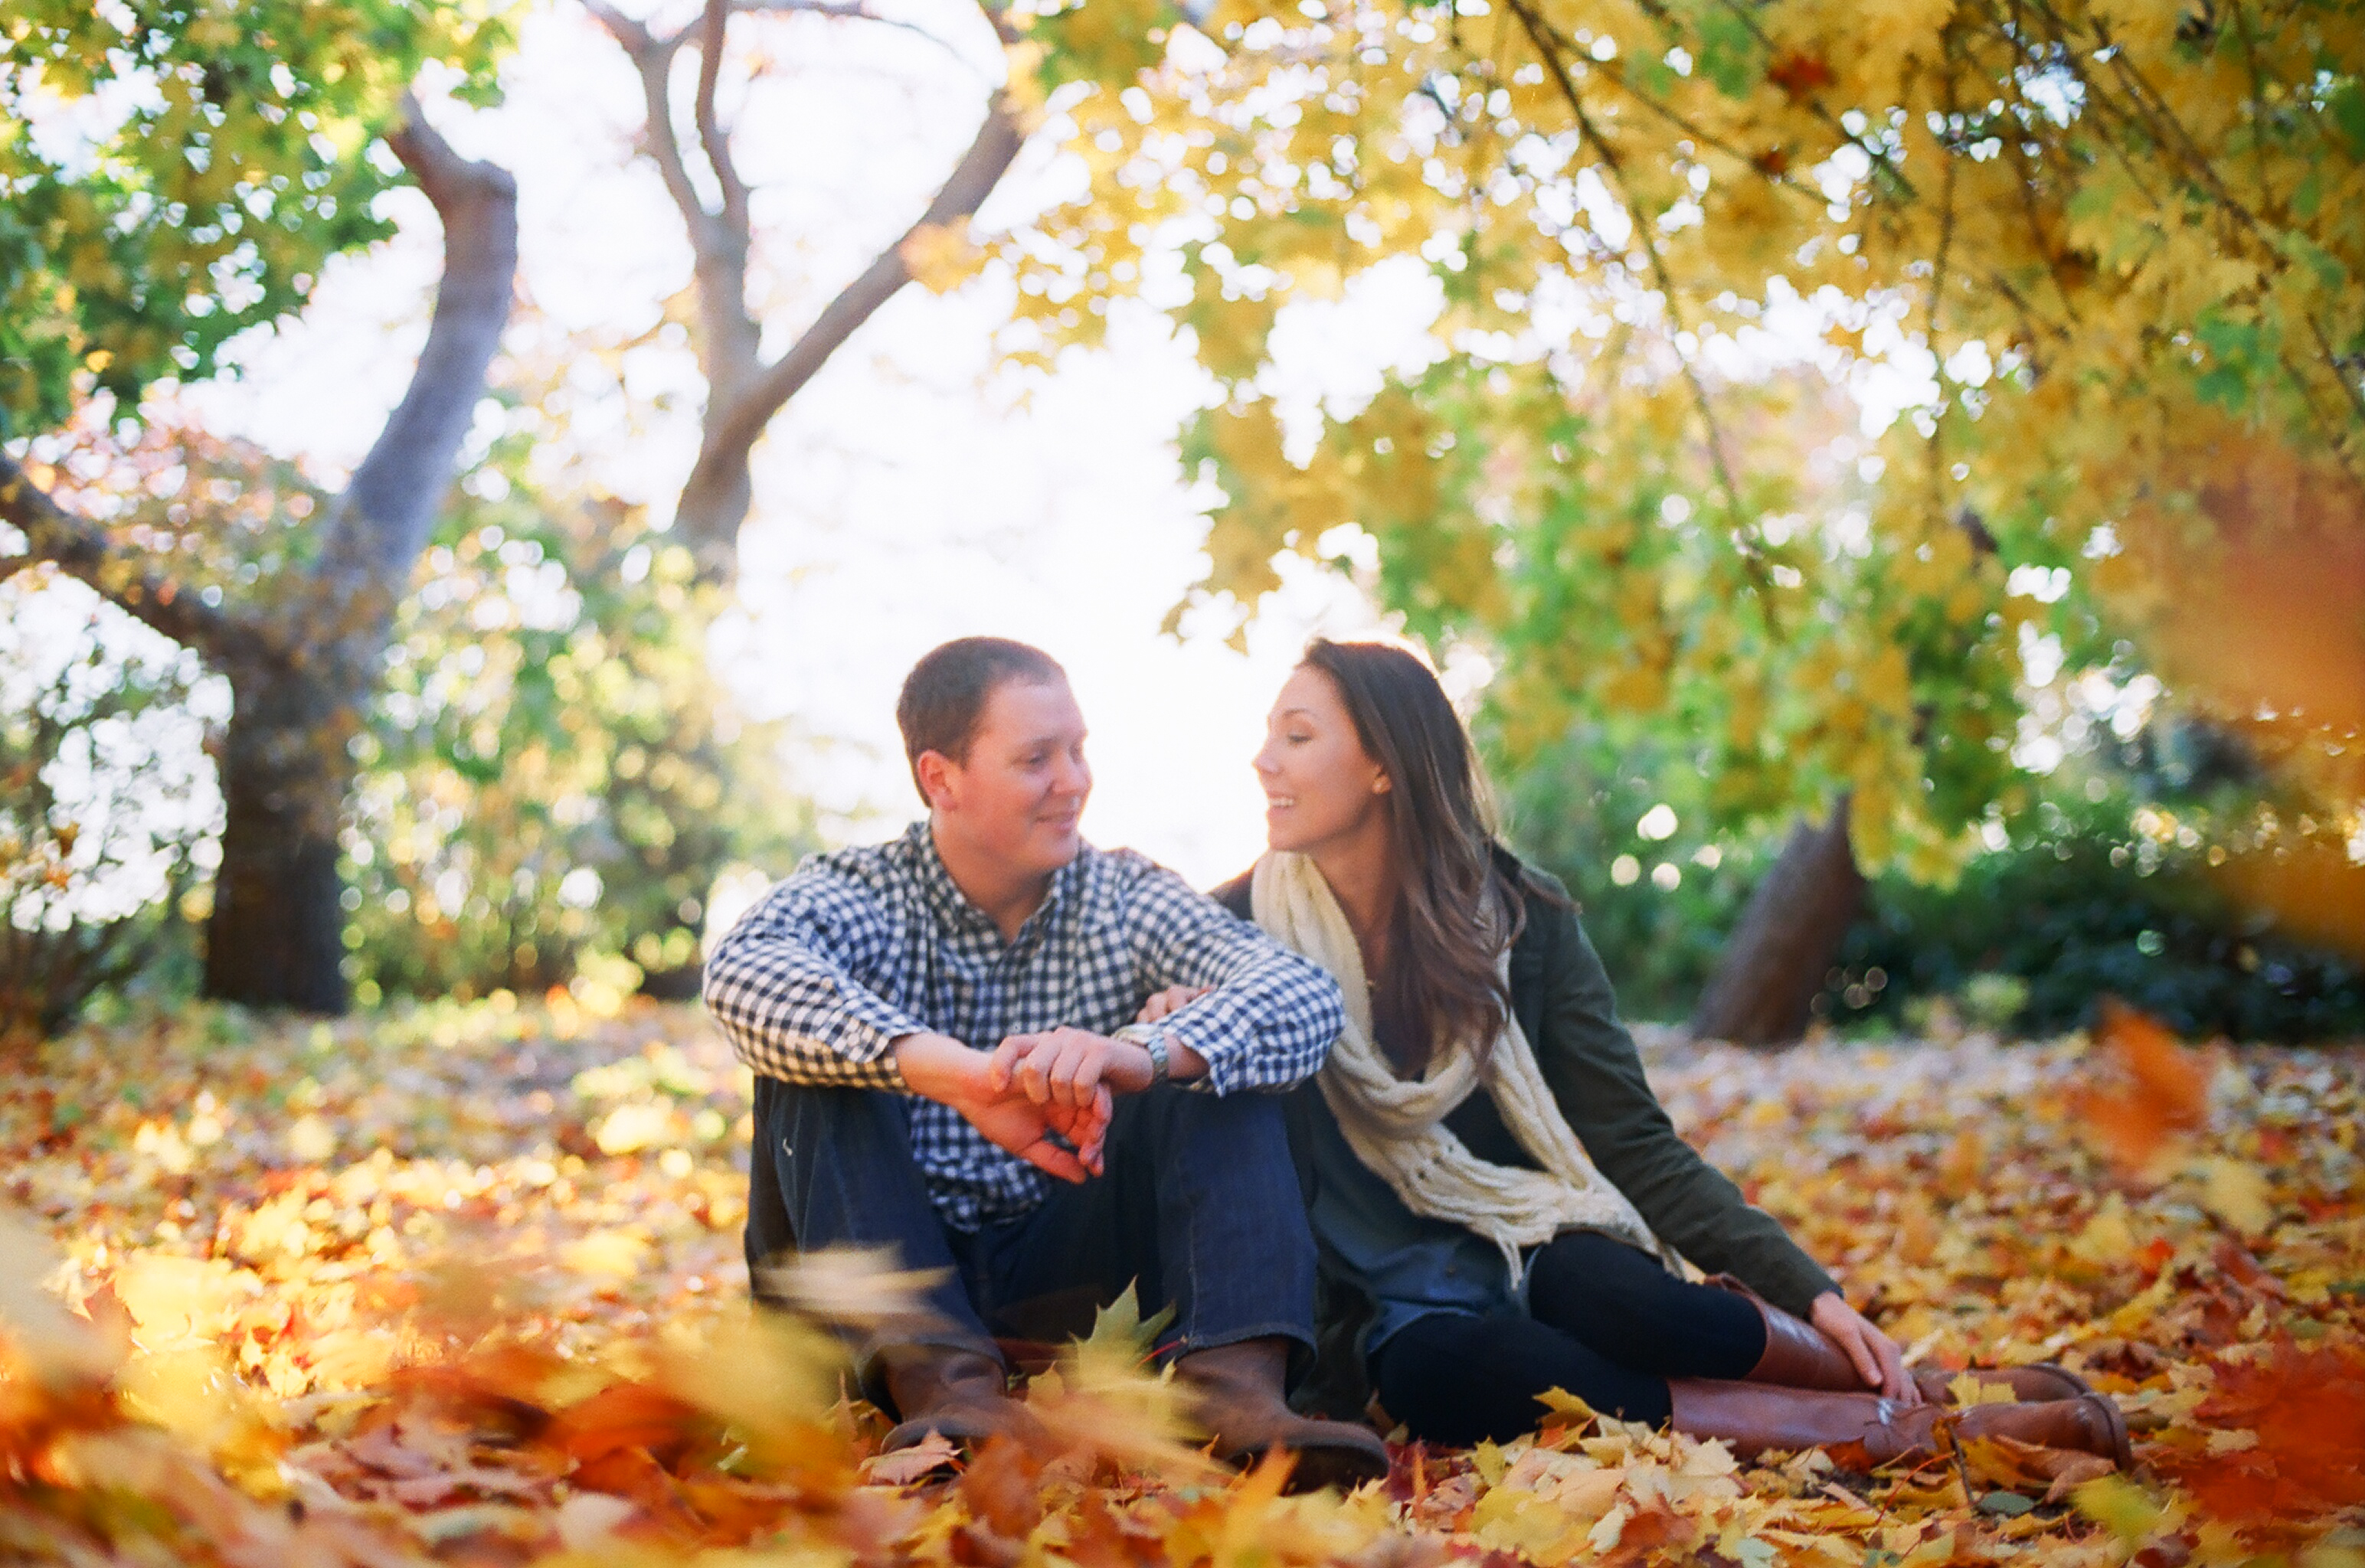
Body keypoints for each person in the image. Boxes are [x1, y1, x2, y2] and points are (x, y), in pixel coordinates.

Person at [1162, 638, 2128, 1466]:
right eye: (1268, 735)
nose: (1262, 761)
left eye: (1296, 735)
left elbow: (1630, 1137)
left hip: (1533, 1237)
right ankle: (1906, 1425)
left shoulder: (1519, 917)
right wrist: (1179, 1029)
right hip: (1388, 1304)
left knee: (1626, 1303)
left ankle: (1918, 1392)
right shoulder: (1230, 934)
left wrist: (1810, 1291)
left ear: (1386, 765)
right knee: (1454, 1375)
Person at [702, 636, 1389, 1488]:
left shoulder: (1124, 893)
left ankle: (1233, 1392)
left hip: (1068, 1272)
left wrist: (1137, 1053)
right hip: (882, 1287)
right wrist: (955, 1072)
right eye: (1036, 758)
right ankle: (946, 1390)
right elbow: (740, 971)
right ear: (940, 778)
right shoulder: (860, 892)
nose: (1073, 780)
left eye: (1077, 749)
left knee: (1218, 1052)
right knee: (814, 1065)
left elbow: (1301, 993)